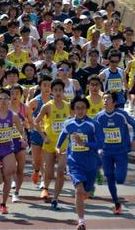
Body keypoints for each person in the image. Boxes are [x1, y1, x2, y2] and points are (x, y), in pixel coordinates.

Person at [56, 97, 104, 230]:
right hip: (74, 162)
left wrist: (85, 144)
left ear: (86, 109)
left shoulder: (93, 124)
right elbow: (62, 138)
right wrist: (58, 148)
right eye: (77, 108)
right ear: (73, 109)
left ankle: (90, 187)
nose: (80, 110)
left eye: (82, 107)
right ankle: (81, 221)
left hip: (91, 163)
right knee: (79, 190)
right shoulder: (69, 124)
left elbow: (101, 144)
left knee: (86, 191)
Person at [95, 91, 135, 215]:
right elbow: (94, 131)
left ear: (114, 102)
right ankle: (116, 202)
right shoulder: (99, 116)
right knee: (109, 178)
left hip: (121, 151)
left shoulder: (121, 115)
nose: (105, 101)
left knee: (119, 179)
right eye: (103, 99)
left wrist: (134, 138)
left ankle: (114, 175)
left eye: (108, 99)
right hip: (106, 152)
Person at [34, 79, 70, 209]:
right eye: (55, 90)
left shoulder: (68, 106)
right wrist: (44, 136)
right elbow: (36, 122)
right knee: (49, 172)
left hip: (64, 145)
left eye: (60, 90)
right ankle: (45, 188)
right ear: (52, 91)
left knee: (60, 171)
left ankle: (55, 197)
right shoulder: (47, 106)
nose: (58, 92)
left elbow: (73, 121)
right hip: (49, 144)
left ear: (63, 91)